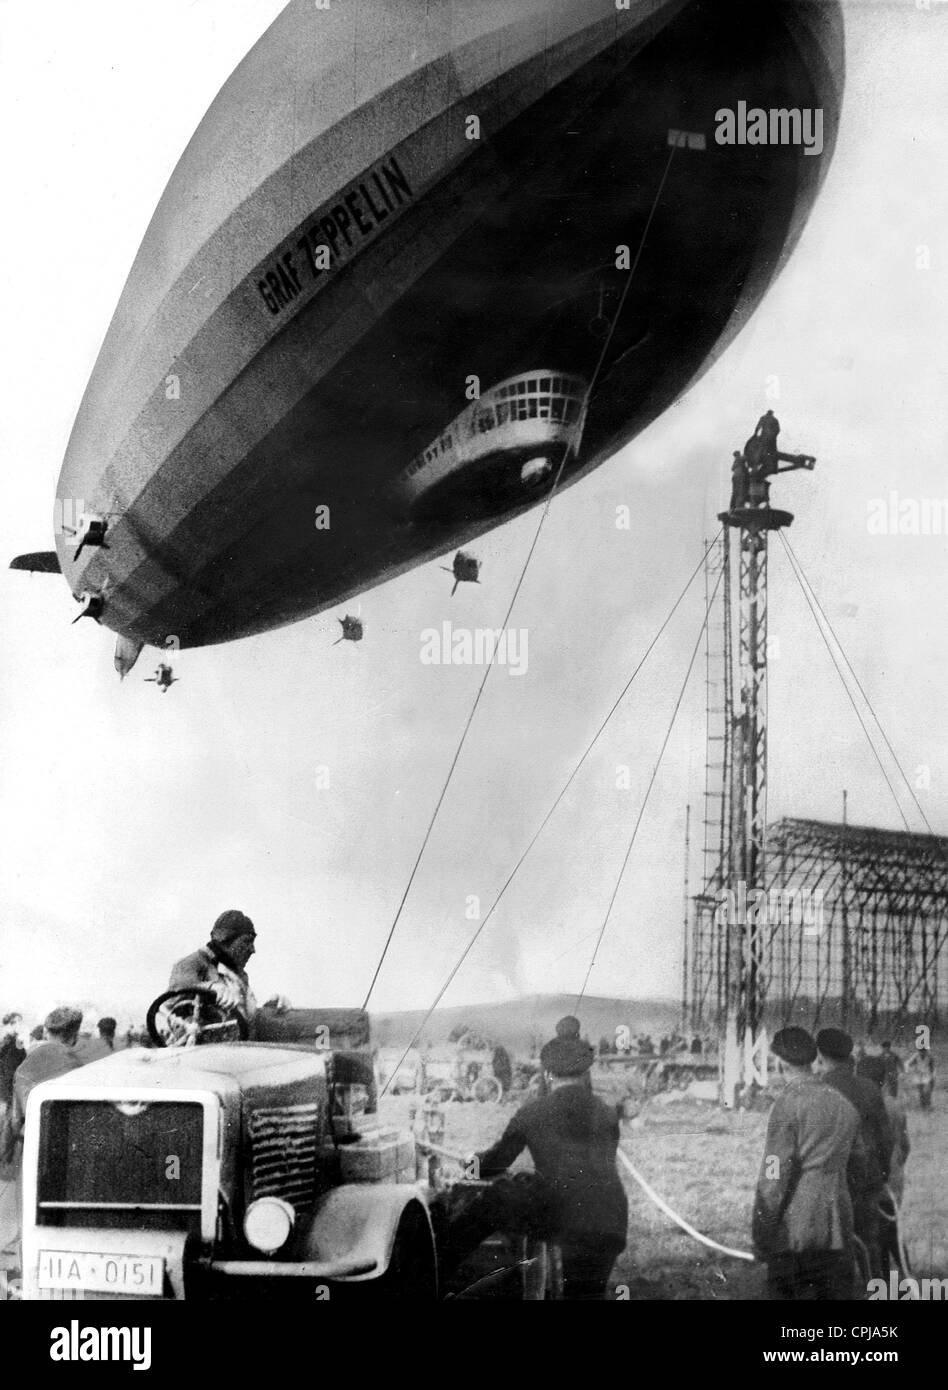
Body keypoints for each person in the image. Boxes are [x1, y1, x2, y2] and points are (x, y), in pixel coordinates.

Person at [438, 1033, 628, 1299]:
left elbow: (494, 1164)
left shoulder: (533, 1111)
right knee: (585, 1294)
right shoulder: (607, 1113)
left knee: (495, 1199)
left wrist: (469, 1165)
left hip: (564, 1215)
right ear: (585, 1074)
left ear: (548, 1074)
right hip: (611, 1220)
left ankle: (435, 1271)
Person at [751, 1027, 860, 1300]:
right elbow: (861, 1162)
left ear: (779, 1063)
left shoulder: (788, 1104)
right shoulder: (843, 1104)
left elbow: (774, 1174)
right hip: (840, 1223)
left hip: (797, 1227)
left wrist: (762, 1233)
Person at [815, 1028, 893, 1283]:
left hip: (831, 1180)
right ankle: (876, 1289)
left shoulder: (818, 1090)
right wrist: (881, 1175)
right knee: (868, 1240)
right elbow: (886, 1138)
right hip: (868, 1178)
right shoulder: (870, 1088)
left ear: (821, 1056)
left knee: (829, 1244)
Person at [1, 1008, 87, 1164]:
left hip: (31, 1147)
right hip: (63, 1149)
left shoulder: (24, 1066)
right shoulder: (77, 1068)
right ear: (75, 1034)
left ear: (46, 1032)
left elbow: (14, 1120)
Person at [169, 910, 258, 1021]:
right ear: (226, 939)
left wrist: (273, 1008)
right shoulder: (192, 963)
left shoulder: (240, 975)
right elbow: (175, 994)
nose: (252, 950)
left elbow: (248, 1019)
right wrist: (209, 987)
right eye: (247, 941)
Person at [0, 1014, 26, 1119]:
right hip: (5, 1081)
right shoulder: (6, 1039)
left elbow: (22, 1058)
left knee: (9, 1113)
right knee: (4, 1111)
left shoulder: (17, 1040)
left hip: (12, 1080)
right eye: (15, 1022)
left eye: (20, 1022)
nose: (19, 1024)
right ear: (9, 1025)